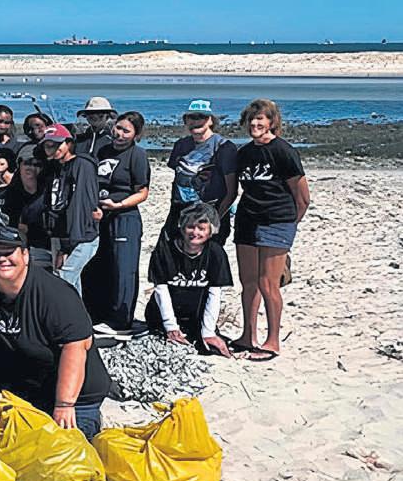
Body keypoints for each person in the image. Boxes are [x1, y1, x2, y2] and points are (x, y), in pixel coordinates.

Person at [0, 227, 113, 439]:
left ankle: (87, 420)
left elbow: (76, 348)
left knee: (65, 447)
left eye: (9, 252)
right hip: (28, 378)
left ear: (25, 256)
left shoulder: (55, 294)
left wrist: (64, 404)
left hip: (77, 394)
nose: (2, 259)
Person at [233, 99, 310, 361]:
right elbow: (235, 189)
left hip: (276, 221)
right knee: (249, 282)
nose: (255, 124)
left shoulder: (283, 151)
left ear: (271, 122)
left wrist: (288, 228)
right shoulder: (244, 153)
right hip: (247, 220)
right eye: (251, 120)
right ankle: (248, 335)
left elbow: (302, 198)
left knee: (268, 283)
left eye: (260, 119)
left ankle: (273, 341)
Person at [87, 110, 151, 335]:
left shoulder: (137, 155)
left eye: (126, 131)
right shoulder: (104, 150)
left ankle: (121, 320)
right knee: (101, 265)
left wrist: (120, 205)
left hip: (125, 217)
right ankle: (100, 314)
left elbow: (142, 192)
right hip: (101, 217)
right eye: (118, 128)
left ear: (136, 135)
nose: (120, 134)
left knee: (124, 269)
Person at [146, 203, 233, 354]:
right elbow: (161, 289)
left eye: (201, 228)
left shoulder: (215, 253)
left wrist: (208, 331)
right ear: (182, 227)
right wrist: (170, 326)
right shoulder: (164, 250)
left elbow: (215, 293)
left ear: (211, 231)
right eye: (190, 227)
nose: (195, 232)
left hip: (197, 318)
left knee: (210, 349)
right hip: (162, 316)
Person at [165, 100, 238, 244]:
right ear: (185, 120)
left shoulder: (224, 147)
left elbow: (231, 191)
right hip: (180, 212)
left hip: (209, 213)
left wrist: (215, 219)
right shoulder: (181, 145)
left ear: (210, 120)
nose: (196, 121)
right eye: (191, 117)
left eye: (201, 117)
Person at [40, 124, 100, 289]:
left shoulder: (82, 165)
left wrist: (68, 246)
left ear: (69, 143)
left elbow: (81, 205)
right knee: (72, 285)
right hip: (60, 234)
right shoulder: (54, 167)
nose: (52, 149)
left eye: (56, 144)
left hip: (80, 236)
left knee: (62, 283)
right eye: (48, 145)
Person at [12, 149, 56, 272]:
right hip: (25, 251)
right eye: (27, 163)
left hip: (51, 249)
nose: (31, 167)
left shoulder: (50, 193)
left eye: (37, 164)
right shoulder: (12, 194)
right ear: (19, 165)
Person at [75, 96, 116, 160]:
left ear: (107, 116)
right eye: (90, 113)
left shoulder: (114, 139)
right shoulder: (79, 138)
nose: (94, 116)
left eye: (100, 114)